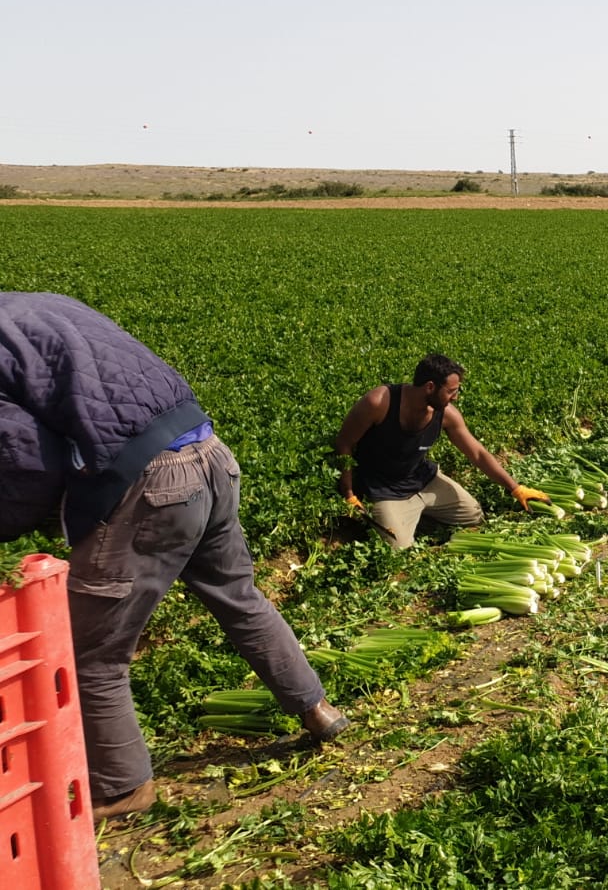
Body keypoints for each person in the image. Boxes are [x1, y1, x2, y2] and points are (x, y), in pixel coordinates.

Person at [0, 292, 347, 823]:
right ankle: (317, 710)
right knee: (241, 600)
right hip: (209, 455)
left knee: (93, 652)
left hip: (150, 483)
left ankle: (122, 788)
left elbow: (25, 461)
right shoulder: (36, 307)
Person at [333, 354, 547, 549]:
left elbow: (477, 454)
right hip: (385, 490)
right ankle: (405, 517)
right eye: (451, 391)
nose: (455, 397)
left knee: (473, 515)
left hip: (424, 480)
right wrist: (349, 493)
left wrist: (516, 489)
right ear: (429, 387)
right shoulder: (379, 403)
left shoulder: (446, 414)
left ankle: (418, 514)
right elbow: (344, 444)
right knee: (397, 547)